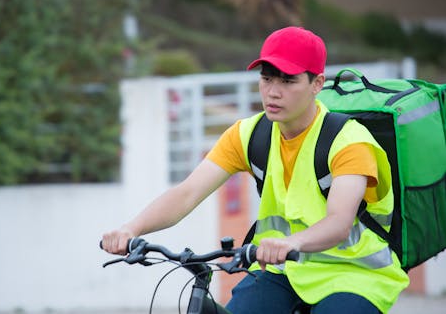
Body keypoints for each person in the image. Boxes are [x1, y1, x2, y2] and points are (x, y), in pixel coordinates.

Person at [101, 26, 409, 313]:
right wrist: (132, 229)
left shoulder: (349, 141)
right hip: (283, 270)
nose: (273, 91)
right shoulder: (249, 135)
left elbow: (339, 223)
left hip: (353, 272)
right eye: (267, 78)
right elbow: (187, 193)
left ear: (317, 84)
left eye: (287, 80)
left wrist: (290, 243)